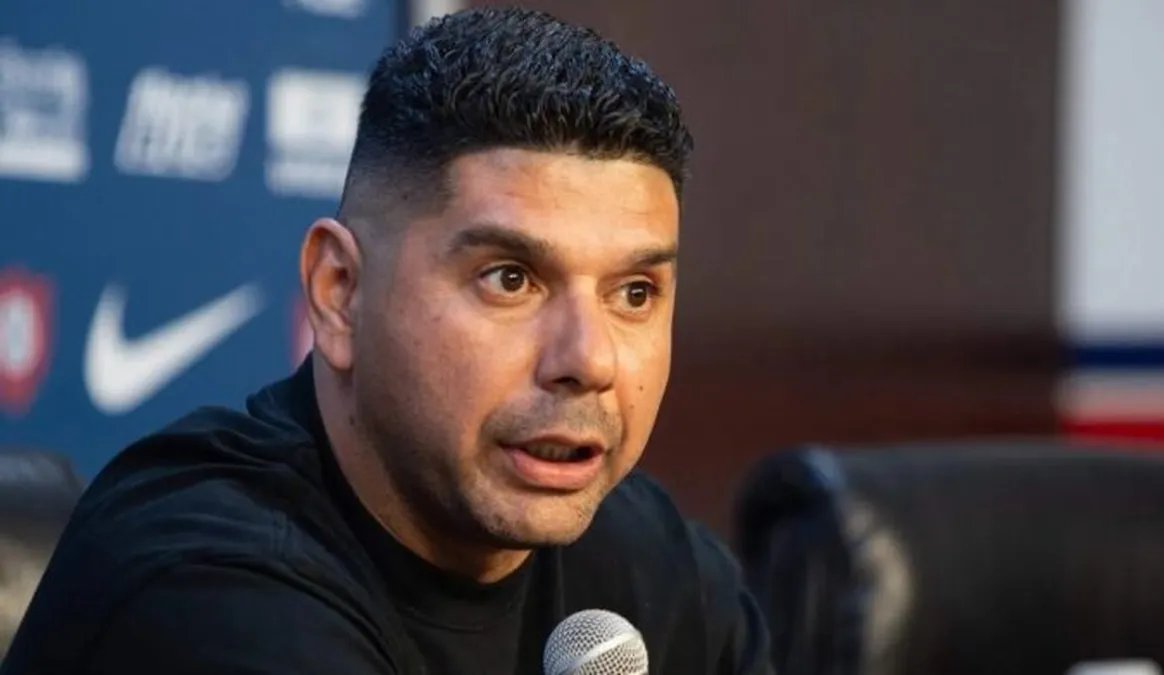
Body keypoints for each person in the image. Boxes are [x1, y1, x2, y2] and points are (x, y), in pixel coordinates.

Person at [2, 8, 774, 674]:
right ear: (340, 292)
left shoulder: (651, 561)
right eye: (510, 279)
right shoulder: (203, 582)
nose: (589, 359)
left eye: (634, 293)